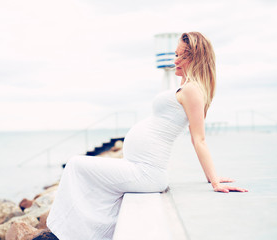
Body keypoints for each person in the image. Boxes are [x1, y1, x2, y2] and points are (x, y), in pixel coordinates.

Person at [45, 32, 248, 240]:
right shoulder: (186, 88)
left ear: (197, 58)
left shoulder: (193, 91)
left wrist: (215, 181)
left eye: (182, 56)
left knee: (75, 165)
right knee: (82, 173)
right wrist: (210, 177)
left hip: (147, 173)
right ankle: (71, 232)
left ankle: (60, 233)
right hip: (139, 167)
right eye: (176, 54)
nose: (175, 60)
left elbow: (199, 139)